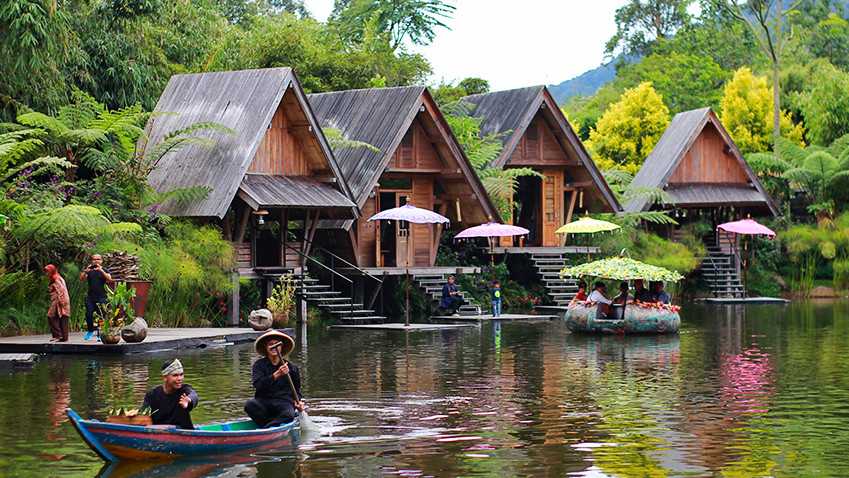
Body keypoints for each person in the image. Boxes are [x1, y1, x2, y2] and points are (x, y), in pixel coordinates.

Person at [245, 330, 305, 428]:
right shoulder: (259, 365)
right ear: (266, 347)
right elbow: (258, 385)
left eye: (277, 344)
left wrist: (298, 402)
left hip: (283, 402)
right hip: (264, 401)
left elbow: (297, 390)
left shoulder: (292, 368)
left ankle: (267, 427)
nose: (274, 347)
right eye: (270, 344)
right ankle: (272, 424)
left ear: (281, 347)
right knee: (249, 405)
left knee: (289, 414)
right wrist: (276, 375)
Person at [142, 359, 199, 429]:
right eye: (175, 375)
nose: (180, 378)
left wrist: (188, 400)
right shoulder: (152, 394)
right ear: (165, 377)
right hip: (157, 433)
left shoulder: (184, 390)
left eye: (181, 375)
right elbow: (143, 415)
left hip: (184, 433)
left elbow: (194, 396)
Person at [79, 254, 112, 341]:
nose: (96, 261)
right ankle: (90, 331)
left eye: (98, 259)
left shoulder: (104, 270)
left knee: (102, 315)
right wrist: (86, 270)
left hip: (102, 296)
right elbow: (81, 278)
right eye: (94, 259)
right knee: (89, 314)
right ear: (91, 261)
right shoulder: (89, 270)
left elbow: (109, 279)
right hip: (91, 297)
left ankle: (101, 334)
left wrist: (101, 270)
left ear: (101, 261)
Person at [44, 264, 70, 342]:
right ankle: (63, 337)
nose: (46, 274)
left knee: (51, 316)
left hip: (59, 300)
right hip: (60, 300)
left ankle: (58, 335)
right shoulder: (56, 277)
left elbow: (61, 290)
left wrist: (62, 302)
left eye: (47, 272)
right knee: (61, 317)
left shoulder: (56, 278)